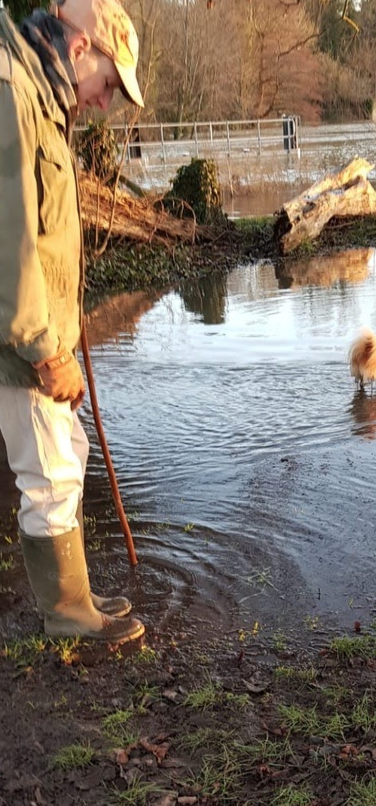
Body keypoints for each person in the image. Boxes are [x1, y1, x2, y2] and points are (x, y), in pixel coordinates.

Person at [0, 0, 145, 644]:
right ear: (82, 46)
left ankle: (76, 595)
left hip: (40, 331)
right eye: (110, 85)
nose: (105, 103)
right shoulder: (12, 90)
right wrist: (42, 347)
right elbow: (10, 243)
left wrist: (66, 324)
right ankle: (66, 615)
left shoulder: (39, 98)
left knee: (67, 451)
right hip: (21, 341)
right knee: (50, 468)